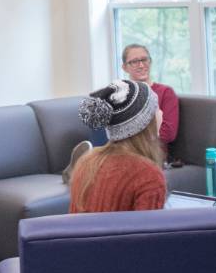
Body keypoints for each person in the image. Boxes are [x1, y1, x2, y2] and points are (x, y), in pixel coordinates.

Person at [68, 80, 169, 213]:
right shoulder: (149, 176)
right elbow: (148, 226)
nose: (161, 113)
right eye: (156, 108)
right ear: (145, 123)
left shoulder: (85, 163)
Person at [120, 43, 179, 145]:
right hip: (123, 149)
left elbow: (168, 134)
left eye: (144, 60)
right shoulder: (120, 94)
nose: (141, 65)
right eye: (134, 62)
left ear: (150, 62)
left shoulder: (165, 92)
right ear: (124, 67)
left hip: (150, 151)